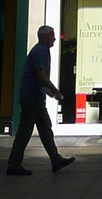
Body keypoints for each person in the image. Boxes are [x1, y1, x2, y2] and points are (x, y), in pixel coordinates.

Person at [6, 25, 75, 177]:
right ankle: (14, 164)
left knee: (45, 129)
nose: (55, 38)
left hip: (35, 98)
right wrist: (55, 91)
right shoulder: (40, 51)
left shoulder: (41, 51)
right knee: (25, 131)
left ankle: (56, 159)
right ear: (44, 37)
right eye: (52, 35)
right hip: (32, 98)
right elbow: (41, 75)